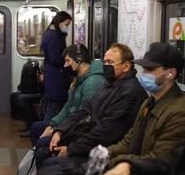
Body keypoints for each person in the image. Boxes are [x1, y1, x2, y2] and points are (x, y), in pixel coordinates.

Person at [36, 43, 148, 175]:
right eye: (104, 61)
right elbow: (85, 110)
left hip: (104, 149)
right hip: (90, 140)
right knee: (42, 151)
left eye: (110, 62)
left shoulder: (130, 92)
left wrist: (70, 149)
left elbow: (106, 132)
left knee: (48, 166)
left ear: (126, 66)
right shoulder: (109, 84)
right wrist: (60, 130)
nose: (105, 66)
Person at [105, 42, 185, 175]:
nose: (144, 73)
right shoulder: (149, 102)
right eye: (144, 68)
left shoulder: (179, 112)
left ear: (170, 73)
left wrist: (125, 163)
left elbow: (161, 159)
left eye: (151, 69)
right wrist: (106, 153)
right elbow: (131, 139)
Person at [30, 44, 105, 147]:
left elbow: (84, 116)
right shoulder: (78, 79)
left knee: (41, 143)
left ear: (79, 60)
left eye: (68, 61)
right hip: (69, 122)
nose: (65, 65)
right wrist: (53, 124)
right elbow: (68, 106)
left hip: (77, 128)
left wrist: (59, 130)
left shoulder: (93, 82)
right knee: (36, 128)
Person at [40, 11, 73, 121]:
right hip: (56, 77)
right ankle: (44, 133)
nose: (67, 28)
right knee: (53, 111)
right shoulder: (54, 36)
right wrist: (68, 59)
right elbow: (55, 58)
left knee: (53, 109)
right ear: (59, 22)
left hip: (52, 75)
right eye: (66, 25)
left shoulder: (50, 33)